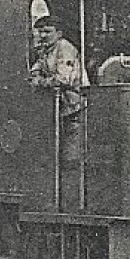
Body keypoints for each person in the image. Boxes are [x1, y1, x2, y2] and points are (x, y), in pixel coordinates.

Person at [29, 15, 88, 162]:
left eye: (48, 32)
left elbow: (63, 78)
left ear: (59, 33)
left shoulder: (64, 48)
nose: (43, 35)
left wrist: (40, 82)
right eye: (41, 32)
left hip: (75, 107)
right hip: (62, 107)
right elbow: (36, 68)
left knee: (71, 155)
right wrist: (36, 74)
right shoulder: (46, 50)